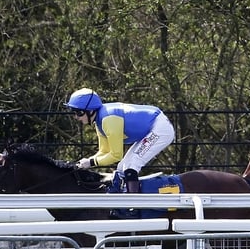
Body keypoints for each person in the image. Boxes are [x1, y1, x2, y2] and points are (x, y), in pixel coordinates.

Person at [65, 87, 175, 218]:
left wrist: (91, 162)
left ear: (90, 111)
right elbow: (104, 151)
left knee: (131, 165)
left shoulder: (109, 119)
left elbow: (116, 155)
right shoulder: (99, 121)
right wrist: (86, 162)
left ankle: (134, 207)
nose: (76, 117)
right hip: (153, 126)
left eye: (78, 113)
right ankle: (128, 203)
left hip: (160, 128)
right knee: (122, 167)